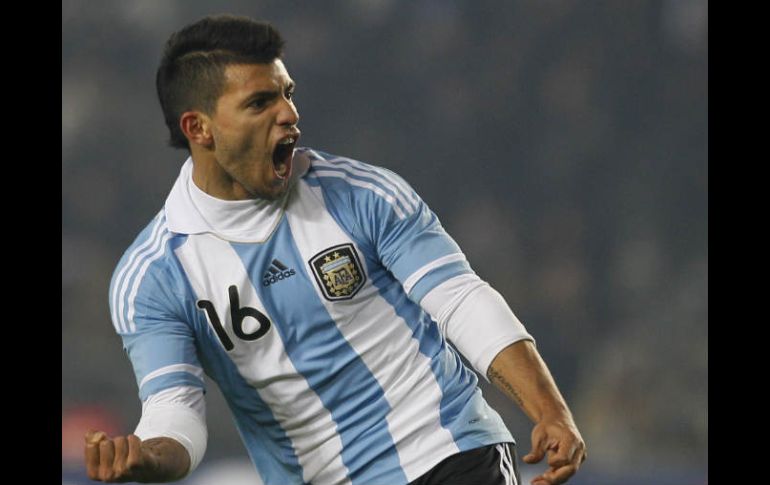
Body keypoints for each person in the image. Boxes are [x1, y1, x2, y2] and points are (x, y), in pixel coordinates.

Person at [85, 14, 586, 485]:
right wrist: (147, 458)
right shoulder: (152, 277)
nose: (290, 115)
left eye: (288, 93)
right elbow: (175, 411)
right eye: (260, 103)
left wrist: (548, 410)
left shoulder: (361, 193)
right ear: (199, 128)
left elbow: (461, 301)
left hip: (447, 450)